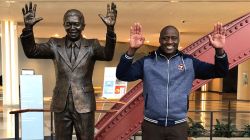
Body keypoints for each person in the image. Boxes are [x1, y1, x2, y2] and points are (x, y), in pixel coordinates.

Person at [20, 2, 117, 140]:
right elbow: (32, 51)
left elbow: (108, 55)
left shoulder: (92, 45)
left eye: (76, 24)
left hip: (84, 104)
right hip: (61, 104)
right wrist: (28, 29)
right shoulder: (54, 44)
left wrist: (110, 30)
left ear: (83, 26)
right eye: (68, 24)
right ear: (64, 24)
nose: (72, 27)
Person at [116, 23, 229, 140]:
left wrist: (219, 50)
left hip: (178, 127)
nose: (170, 41)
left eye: (173, 38)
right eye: (165, 38)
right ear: (160, 40)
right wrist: (131, 50)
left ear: (178, 40)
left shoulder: (189, 63)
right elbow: (122, 74)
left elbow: (221, 72)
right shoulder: (147, 62)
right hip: (151, 126)